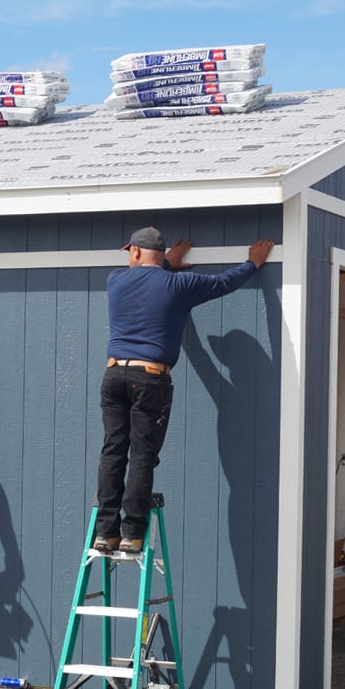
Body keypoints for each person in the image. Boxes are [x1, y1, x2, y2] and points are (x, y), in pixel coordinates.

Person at [93, 227, 274, 554]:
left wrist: (166, 263)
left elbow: (148, 279)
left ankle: (106, 532)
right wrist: (253, 263)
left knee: (113, 451)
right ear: (157, 256)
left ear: (134, 252)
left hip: (114, 376)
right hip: (149, 379)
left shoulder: (115, 280)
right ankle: (133, 533)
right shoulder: (179, 285)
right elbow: (224, 282)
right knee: (142, 456)